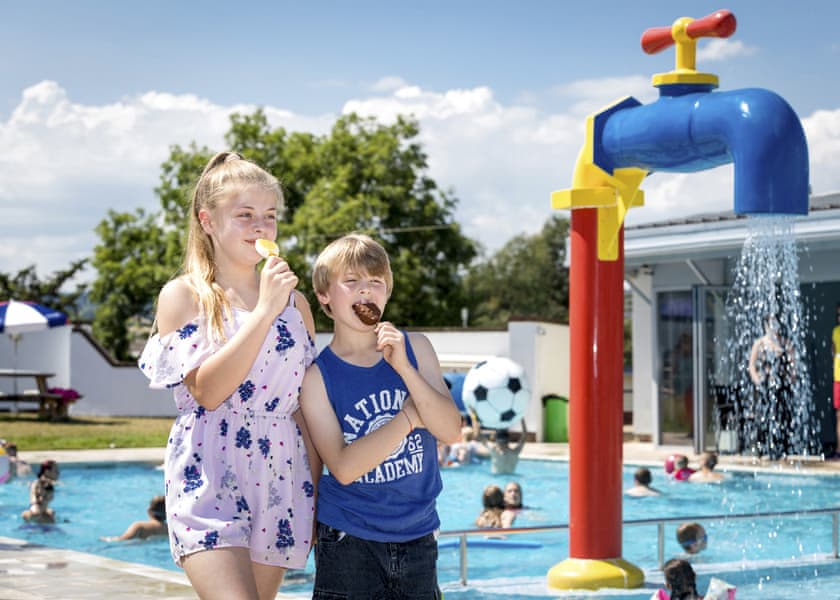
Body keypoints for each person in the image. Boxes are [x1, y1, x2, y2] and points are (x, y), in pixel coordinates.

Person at [138, 151, 320, 600]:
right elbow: (208, 391)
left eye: (270, 216)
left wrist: (315, 494)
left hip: (282, 476)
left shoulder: (298, 307)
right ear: (208, 221)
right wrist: (263, 312)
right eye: (245, 215)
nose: (261, 227)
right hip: (209, 473)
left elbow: (305, 408)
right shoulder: (184, 297)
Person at [300, 233, 462, 600]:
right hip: (349, 540)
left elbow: (451, 431)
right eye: (351, 281)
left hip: (419, 536)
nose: (365, 291)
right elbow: (343, 466)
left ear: (387, 292)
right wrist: (407, 419)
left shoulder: (416, 348)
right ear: (324, 295)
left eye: (375, 282)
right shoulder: (316, 377)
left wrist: (404, 368)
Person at [748, 314, 796, 459]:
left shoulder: (785, 343)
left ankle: (782, 448)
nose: (773, 327)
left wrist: (791, 379)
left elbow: (793, 365)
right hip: (766, 385)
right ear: (766, 326)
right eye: (770, 324)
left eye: (775, 324)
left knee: (783, 416)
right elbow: (751, 366)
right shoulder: (760, 343)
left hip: (781, 385)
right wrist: (758, 381)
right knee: (763, 416)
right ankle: (761, 448)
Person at [469, 408, 527, 474]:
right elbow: (525, 435)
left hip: (497, 479)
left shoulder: (494, 451)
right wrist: (521, 417)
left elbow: (477, 435)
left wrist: (474, 416)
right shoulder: (514, 452)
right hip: (508, 480)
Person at [101, 495, 168, 542]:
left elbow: (123, 539)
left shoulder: (140, 526)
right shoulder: (169, 529)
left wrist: (107, 539)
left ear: (149, 511)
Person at [833, 303, 840, 457]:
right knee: (839, 415)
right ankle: (839, 449)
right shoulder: (835, 331)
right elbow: (833, 352)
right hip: (838, 378)